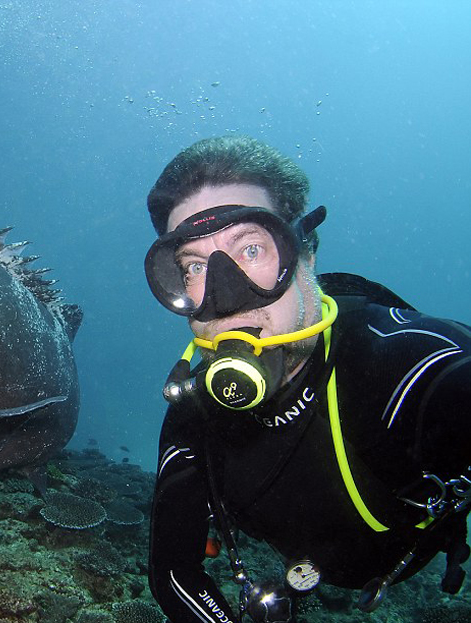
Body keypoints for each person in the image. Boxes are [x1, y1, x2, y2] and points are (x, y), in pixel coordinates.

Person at [143, 135, 471, 622]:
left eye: (251, 249)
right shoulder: (197, 411)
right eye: (194, 266)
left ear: (306, 255)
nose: (226, 296)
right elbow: (173, 572)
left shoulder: (398, 359)